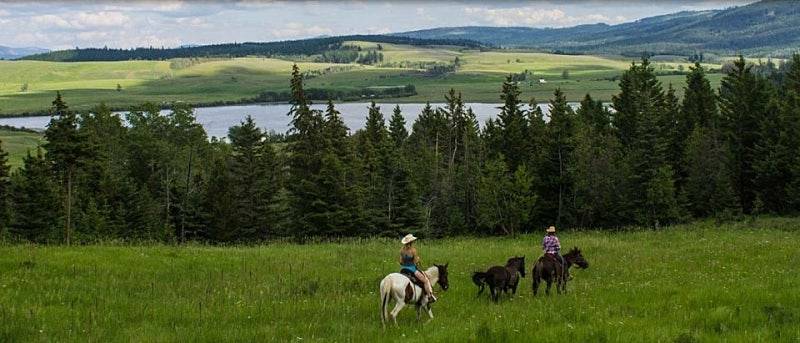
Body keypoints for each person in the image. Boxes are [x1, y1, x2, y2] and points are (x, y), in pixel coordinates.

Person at [399, 234, 437, 303]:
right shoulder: (413, 250)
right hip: (412, 269)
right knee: (425, 280)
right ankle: (430, 296)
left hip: (403, 269)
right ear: (411, 242)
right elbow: (415, 262)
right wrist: (418, 259)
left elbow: (401, 262)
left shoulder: (401, 250)